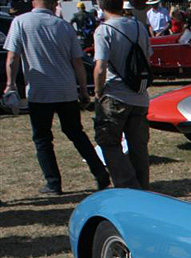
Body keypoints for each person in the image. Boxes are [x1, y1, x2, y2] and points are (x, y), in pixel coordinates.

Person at [3, 0, 110, 194]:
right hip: (65, 89)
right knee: (76, 133)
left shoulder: (20, 22)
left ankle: (53, 182)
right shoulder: (63, 25)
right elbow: (77, 62)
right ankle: (100, 172)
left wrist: (10, 85)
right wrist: (84, 90)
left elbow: (12, 58)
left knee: (43, 138)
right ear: (53, 4)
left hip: (39, 90)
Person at [93, 0, 151, 189]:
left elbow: (100, 67)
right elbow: (147, 56)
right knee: (138, 146)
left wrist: (97, 91)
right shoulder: (139, 26)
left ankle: (128, 185)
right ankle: (142, 186)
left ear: (101, 6)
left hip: (115, 94)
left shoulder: (104, 30)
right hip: (139, 95)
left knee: (109, 142)